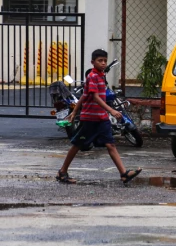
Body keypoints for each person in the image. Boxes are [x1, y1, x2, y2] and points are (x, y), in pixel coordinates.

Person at [55, 49, 142, 185]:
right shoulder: (92, 76)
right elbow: (94, 97)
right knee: (77, 144)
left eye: (104, 61)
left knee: (111, 144)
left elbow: (84, 95)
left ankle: (124, 174)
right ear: (92, 62)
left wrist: (74, 111)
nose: (103, 63)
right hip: (90, 119)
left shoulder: (101, 75)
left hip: (101, 118)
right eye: (99, 61)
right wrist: (111, 110)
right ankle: (62, 172)